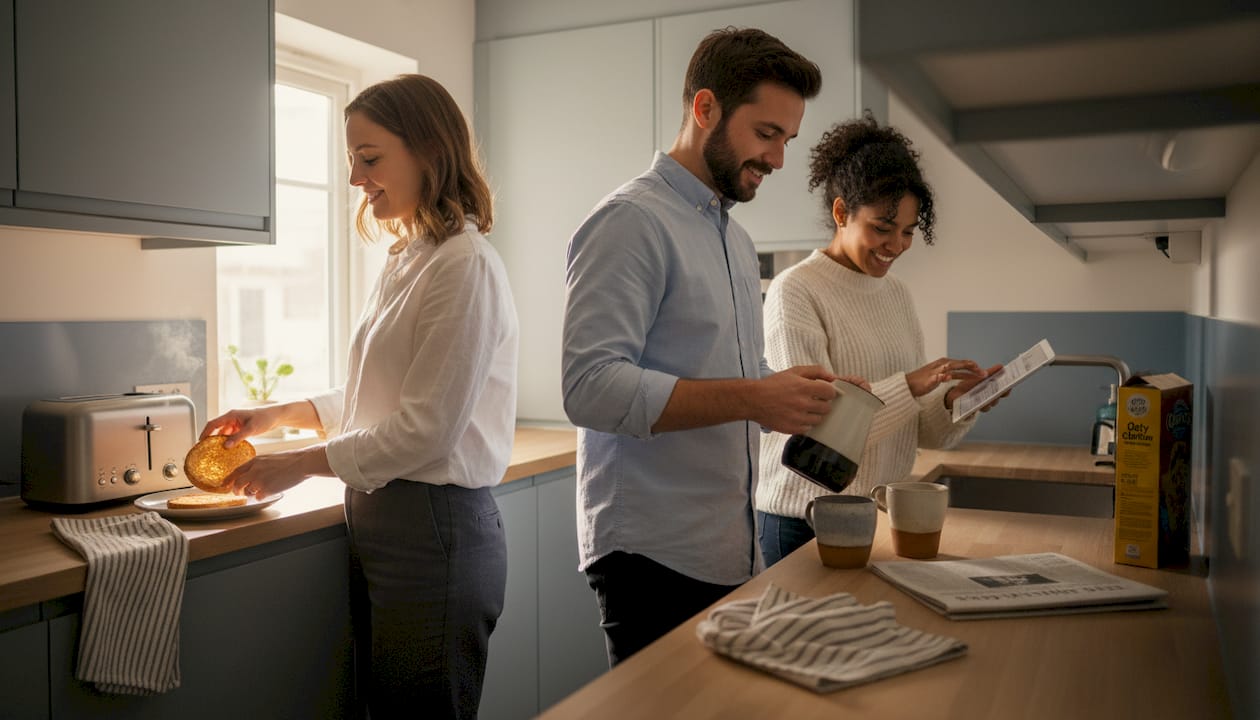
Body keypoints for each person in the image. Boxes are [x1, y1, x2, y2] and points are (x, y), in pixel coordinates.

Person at [200, 74, 518, 719]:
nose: (355, 179)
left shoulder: (464, 264)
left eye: (369, 159)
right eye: (352, 160)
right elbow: (381, 395)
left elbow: (426, 429)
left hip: (434, 527)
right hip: (390, 520)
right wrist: (278, 415)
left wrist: (296, 464)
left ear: (429, 151)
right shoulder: (412, 258)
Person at [561, 27, 845, 667]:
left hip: (727, 547)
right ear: (706, 108)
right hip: (650, 553)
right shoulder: (629, 221)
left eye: (787, 140)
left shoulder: (734, 239)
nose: (778, 159)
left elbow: (727, 374)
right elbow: (590, 387)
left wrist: (790, 393)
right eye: (766, 133)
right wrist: (754, 397)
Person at [755, 112, 1001, 566]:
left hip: (871, 513)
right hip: (802, 518)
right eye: (882, 228)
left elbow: (921, 433)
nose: (897, 245)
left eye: (908, 231)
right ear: (841, 213)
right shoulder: (796, 290)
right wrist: (910, 384)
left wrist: (955, 402)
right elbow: (816, 432)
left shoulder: (896, 295)